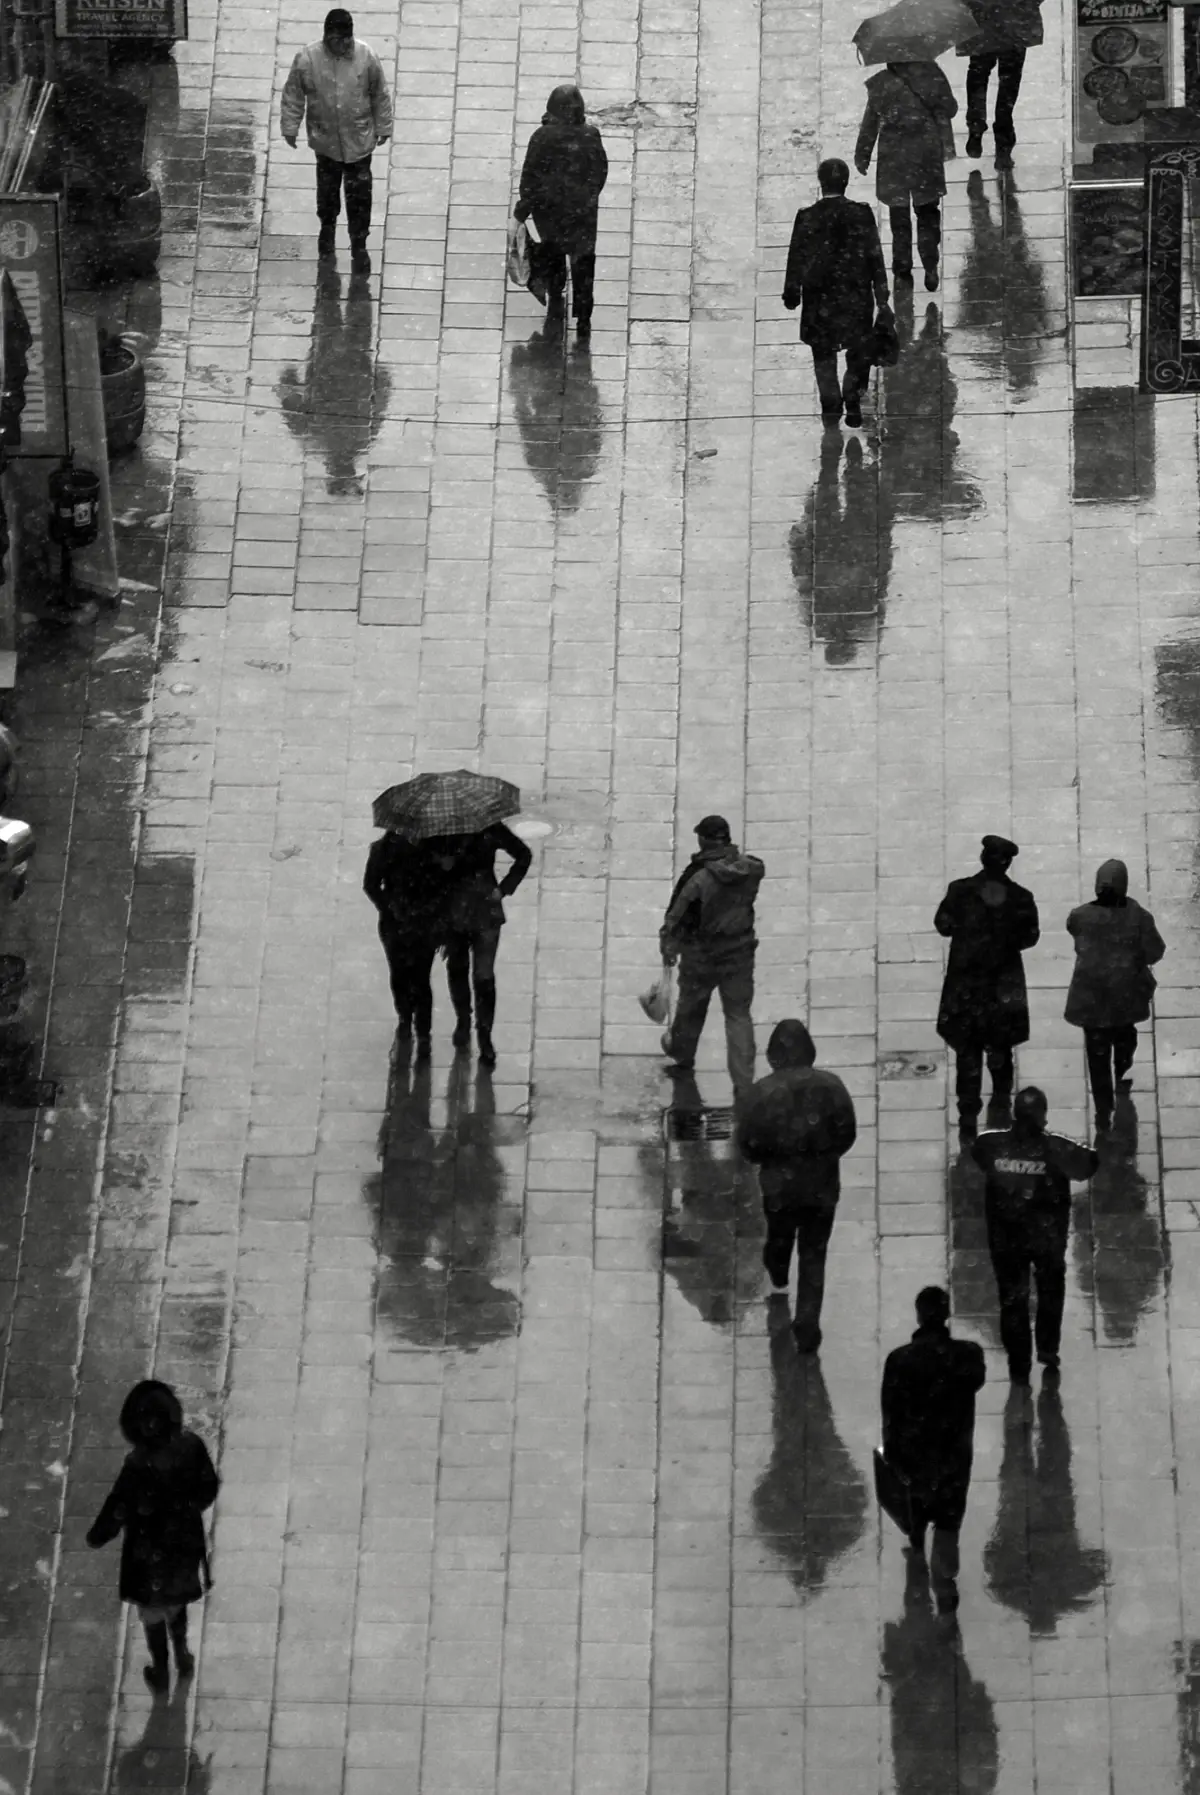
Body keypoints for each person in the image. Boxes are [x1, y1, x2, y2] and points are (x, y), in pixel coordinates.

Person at [87, 1381, 219, 1695]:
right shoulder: (192, 1446)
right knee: (176, 1601)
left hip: (147, 1555)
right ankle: (183, 1655)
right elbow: (208, 1486)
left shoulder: (137, 1466)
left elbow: (117, 1507)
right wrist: (187, 1508)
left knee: (152, 1612)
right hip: (183, 1545)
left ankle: (161, 1669)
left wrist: (98, 1535)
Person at [737, 1019, 857, 1352]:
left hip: (779, 1188)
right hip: (821, 1187)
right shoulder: (832, 1086)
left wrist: (773, 1158)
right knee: (814, 1254)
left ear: (774, 1054)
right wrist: (824, 1154)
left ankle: (777, 1279)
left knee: (779, 1237)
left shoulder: (760, 1092)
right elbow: (847, 1133)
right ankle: (807, 1325)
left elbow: (747, 1145)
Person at [973, 1086, 1099, 1383]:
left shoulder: (991, 1145)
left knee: (1011, 1299)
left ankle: (1018, 1360)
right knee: (1050, 1292)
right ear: (1042, 1116)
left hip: (1006, 1238)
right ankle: (1047, 1347)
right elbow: (1089, 1165)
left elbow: (977, 1153)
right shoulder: (1056, 1149)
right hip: (1046, 1238)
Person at [881, 1286, 986, 1614]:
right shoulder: (968, 1355)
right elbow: (976, 1380)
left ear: (918, 1315)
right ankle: (945, 1581)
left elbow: (889, 1412)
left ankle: (915, 1542)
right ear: (946, 1315)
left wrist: (893, 1455)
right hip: (953, 1455)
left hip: (914, 1454)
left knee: (918, 1506)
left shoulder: (898, 1361)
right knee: (948, 1518)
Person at [935, 835, 1040, 1139]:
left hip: (966, 988)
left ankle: (968, 1113)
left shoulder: (960, 891)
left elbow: (943, 925)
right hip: (1002, 988)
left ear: (983, 858)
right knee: (1001, 1047)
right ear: (1007, 863)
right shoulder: (1021, 897)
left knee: (967, 1051)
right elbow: (1030, 937)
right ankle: (1000, 1104)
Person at [660, 815, 765, 1099]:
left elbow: (676, 916)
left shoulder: (697, 878)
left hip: (701, 956)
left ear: (704, 840)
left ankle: (683, 1059)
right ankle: (744, 1085)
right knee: (738, 1016)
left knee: (691, 1010)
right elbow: (754, 868)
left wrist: (668, 946)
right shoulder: (751, 870)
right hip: (739, 953)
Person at [281, 8, 392, 274]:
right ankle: (327, 230)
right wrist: (290, 126)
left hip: (359, 142)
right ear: (326, 37)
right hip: (326, 143)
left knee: (360, 198)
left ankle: (359, 243)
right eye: (336, 40)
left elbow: (379, 94)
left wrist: (384, 126)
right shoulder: (308, 59)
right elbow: (294, 94)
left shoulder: (366, 57)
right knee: (328, 193)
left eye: (346, 39)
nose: (342, 45)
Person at [783, 157, 889, 429]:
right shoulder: (861, 214)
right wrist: (881, 292)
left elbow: (796, 256)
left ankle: (831, 404)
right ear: (846, 181)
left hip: (820, 297)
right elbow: (874, 256)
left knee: (823, 352)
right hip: (855, 295)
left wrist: (792, 291)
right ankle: (852, 398)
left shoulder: (807, 217)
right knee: (857, 351)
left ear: (821, 183)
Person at [1065, 859, 1165, 1131]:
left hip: (1091, 998)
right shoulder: (1139, 917)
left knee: (1096, 1055)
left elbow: (1074, 934)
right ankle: (1122, 1071)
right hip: (1125, 997)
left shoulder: (1080, 915)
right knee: (1125, 1038)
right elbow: (1155, 951)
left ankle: (1102, 1106)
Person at [514, 85, 608, 339]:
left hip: (550, 213)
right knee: (583, 265)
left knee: (553, 254)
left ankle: (555, 299)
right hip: (583, 215)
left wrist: (523, 209)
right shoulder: (590, 135)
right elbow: (600, 172)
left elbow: (530, 177)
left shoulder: (542, 137)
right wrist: (587, 197)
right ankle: (584, 317)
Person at [855, 61, 958, 289]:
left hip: (894, 155)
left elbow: (870, 122)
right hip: (925, 152)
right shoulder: (932, 73)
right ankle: (930, 263)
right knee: (927, 212)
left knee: (899, 215)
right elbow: (950, 108)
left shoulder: (882, 83)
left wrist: (862, 155)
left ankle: (902, 270)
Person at [438, 823, 533, 1066]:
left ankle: (484, 1034)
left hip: (483, 911)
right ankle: (463, 1019)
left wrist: (504, 889)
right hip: (455, 911)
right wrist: (441, 863)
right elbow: (427, 866)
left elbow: (523, 854)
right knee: (457, 968)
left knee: (483, 975)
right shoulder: (442, 831)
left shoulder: (490, 828)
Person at [363, 831, 450, 1053]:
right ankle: (405, 1016)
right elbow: (370, 885)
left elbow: (444, 887)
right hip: (396, 924)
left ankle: (422, 1030)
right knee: (400, 974)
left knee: (420, 977)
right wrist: (389, 906)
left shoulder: (435, 848)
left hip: (423, 924)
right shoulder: (383, 849)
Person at [957, 0, 1045, 172]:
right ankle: (1003, 144)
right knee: (1009, 82)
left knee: (978, 75)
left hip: (981, 22)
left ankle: (976, 126)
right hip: (1015, 21)